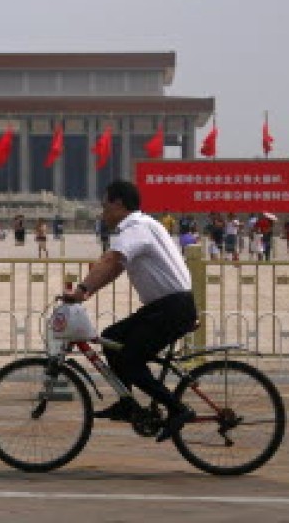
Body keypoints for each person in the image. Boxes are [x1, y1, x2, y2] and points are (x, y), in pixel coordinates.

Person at [63, 180, 198, 443]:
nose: (103, 213)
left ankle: (178, 408)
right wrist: (87, 292)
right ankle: (127, 402)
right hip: (167, 306)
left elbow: (111, 260)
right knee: (112, 338)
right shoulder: (146, 225)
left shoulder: (135, 229)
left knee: (131, 359)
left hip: (171, 308)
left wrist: (80, 290)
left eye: (105, 207)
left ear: (118, 204)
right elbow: (114, 269)